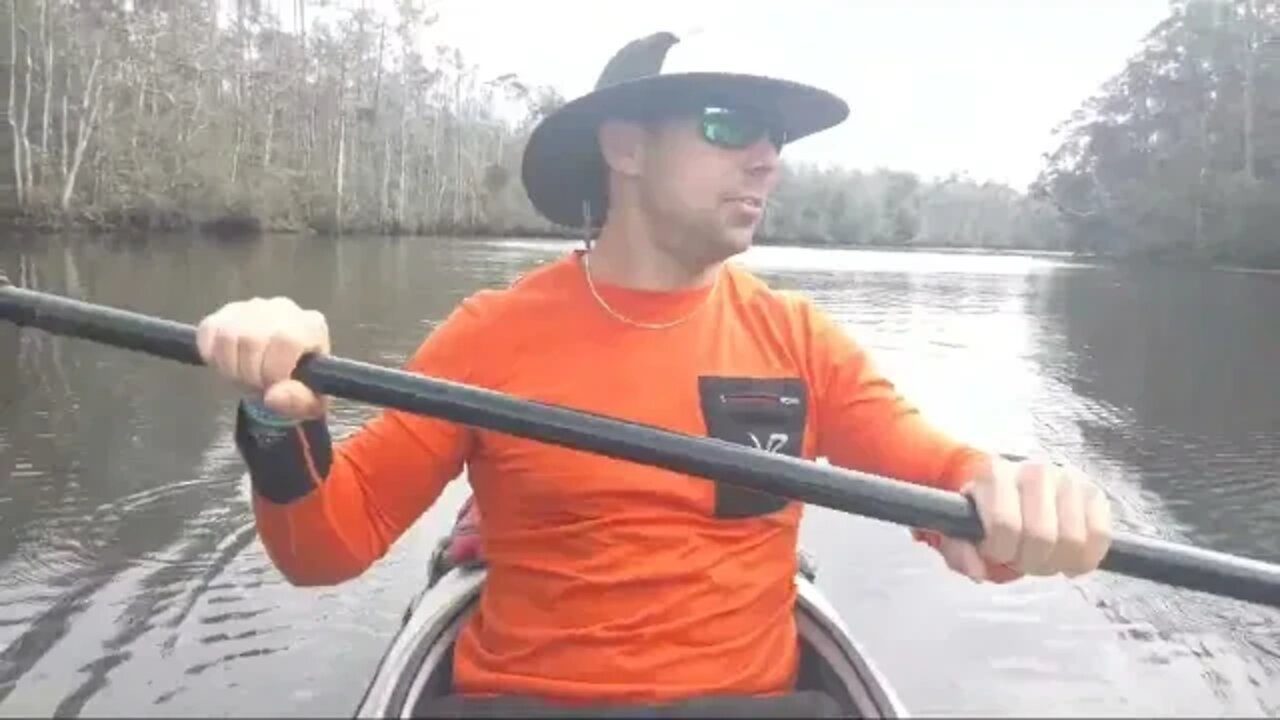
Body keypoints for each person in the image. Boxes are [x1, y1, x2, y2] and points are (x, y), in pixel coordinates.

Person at [196, 31, 1114, 717]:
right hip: (524, 706)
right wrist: (281, 416)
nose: (767, 157)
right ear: (625, 148)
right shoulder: (491, 335)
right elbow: (327, 549)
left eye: (776, 139)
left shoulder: (797, 338)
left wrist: (1016, 503)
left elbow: (944, 479)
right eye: (729, 126)